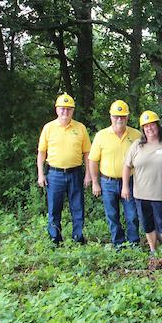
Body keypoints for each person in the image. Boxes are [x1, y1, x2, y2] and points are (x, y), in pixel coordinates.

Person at [37, 93, 91, 245]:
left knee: (77, 207)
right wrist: (41, 174)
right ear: (56, 110)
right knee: (54, 208)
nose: (65, 112)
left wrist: (88, 174)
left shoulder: (80, 128)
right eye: (62, 109)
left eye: (68, 109)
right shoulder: (48, 128)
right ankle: (55, 238)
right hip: (54, 174)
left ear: (73, 111)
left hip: (75, 173)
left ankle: (78, 237)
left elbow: (87, 153)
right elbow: (41, 153)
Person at [122, 110, 162, 258]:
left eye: (152, 125)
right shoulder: (137, 145)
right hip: (141, 194)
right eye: (146, 126)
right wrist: (125, 186)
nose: (149, 129)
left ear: (158, 126)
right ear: (142, 129)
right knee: (147, 224)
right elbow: (127, 166)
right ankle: (153, 250)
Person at [89, 100, 142, 248]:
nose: (119, 119)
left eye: (123, 116)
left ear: (128, 117)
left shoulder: (136, 135)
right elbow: (93, 160)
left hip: (130, 181)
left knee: (132, 215)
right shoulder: (101, 135)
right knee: (112, 215)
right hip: (108, 182)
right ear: (111, 116)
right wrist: (95, 182)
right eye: (116, 116)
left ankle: (133, 243)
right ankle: (118, 243)